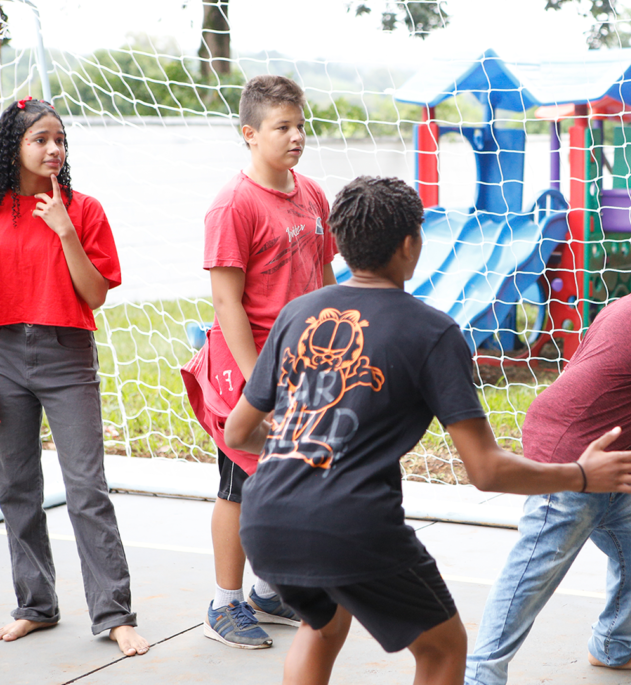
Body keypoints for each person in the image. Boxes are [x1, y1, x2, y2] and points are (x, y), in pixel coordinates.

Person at [221, 175, 631, 685]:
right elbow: (486, 471)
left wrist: (307, 444)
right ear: (411, 244)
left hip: (266, 518)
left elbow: (238, 433)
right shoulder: (431, 331)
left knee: (322, 624)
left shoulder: (297, 313)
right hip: (350, 524)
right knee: (444, 648)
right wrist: (580, 475)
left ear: (339, 243)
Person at [465, 217, 631, 684]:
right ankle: (479, 675)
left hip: (597, 449)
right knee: (533, 570)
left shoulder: (623, 304)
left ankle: (612, 646)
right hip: (572, 453)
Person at [181, 75, 337, 649]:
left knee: (288, 481)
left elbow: (324, 275)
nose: (296, 136)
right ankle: (224, 604)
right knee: (239, 486)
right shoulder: (233, 204)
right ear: (249, 134)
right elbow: (227, 303)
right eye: (282, 127)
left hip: (305, 369)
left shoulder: (312, 193)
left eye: (300, 125)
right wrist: (258, 384)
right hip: (247, 371)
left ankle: (269, 593)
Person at [0, 97, 149, 656]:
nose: (53, 149)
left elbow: (95, 294)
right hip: (4, 355)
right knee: (15, 488)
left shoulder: (84, 210)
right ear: (13, 147)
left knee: (86, 488)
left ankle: (114, 614)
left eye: (59, 139)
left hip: (66, 355)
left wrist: (65, 232)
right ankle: (35, 606)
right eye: (40, 139)